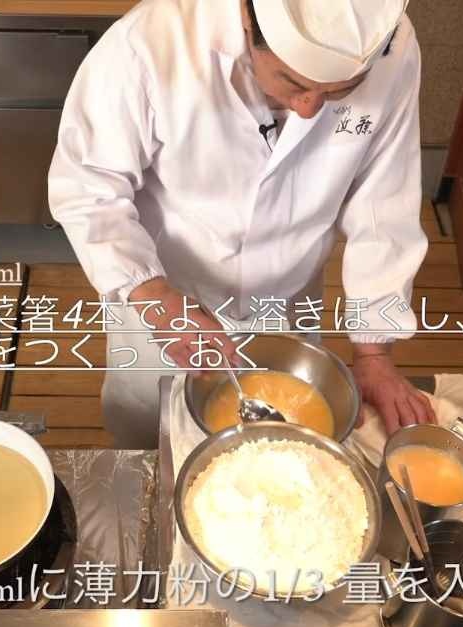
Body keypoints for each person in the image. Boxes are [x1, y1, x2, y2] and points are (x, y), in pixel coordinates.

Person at [49, 0, 437, 448]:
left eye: (338, 92)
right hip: (162, 290)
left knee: (281, 453)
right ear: (248, 20)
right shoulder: (151, 43)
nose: (309, 109)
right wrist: (153, 295)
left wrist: (373, 352)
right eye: (293, 82)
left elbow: (384, 204)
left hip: (285, 301)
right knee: (150, 436)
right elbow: (89, 187)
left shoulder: (393, 45)